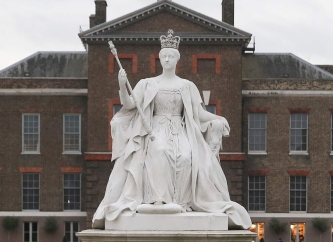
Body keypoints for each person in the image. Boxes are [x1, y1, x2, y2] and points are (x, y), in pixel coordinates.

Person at [92, 31, 251, 230]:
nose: (167, 59)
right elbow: (129, 104)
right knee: (159, 152)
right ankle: (159, 201)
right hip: (155, 129)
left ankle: (181, 202)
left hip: (180, 129)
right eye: (164, 56)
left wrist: (217, 118)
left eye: (171, 56)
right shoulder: (148, 83)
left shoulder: (187, 85)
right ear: (160, 59)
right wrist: (122, 85)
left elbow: (199, 114)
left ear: (177, 59)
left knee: (186, 156)